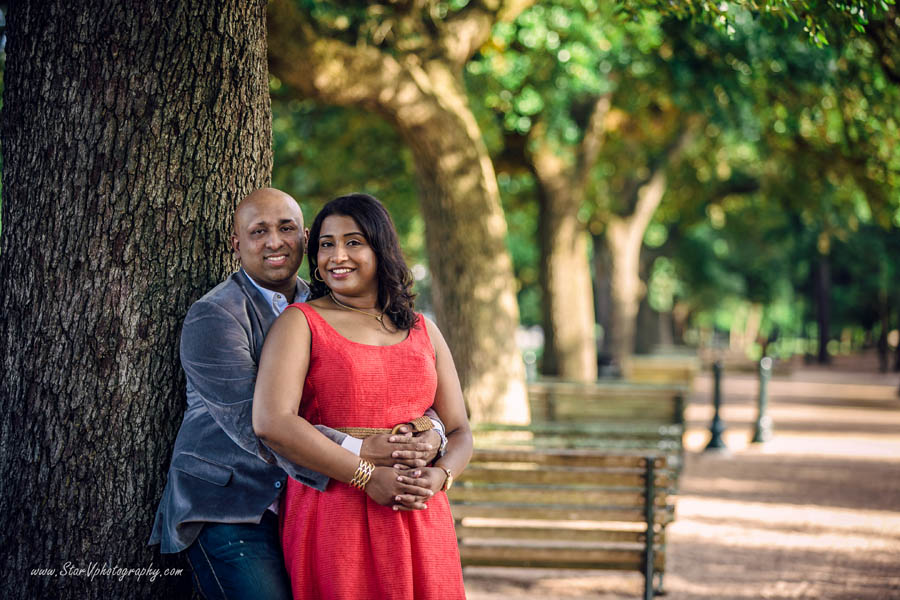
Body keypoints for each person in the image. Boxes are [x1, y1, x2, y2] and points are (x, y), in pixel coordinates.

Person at [149, 188, 446, 600]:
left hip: (303, 503)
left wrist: (431, 430)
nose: (274, 242)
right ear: (236, 244)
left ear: (304, 237)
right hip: (229, 506)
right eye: (258, 232)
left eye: (286, 228)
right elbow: (256, 425)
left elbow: (389, 382)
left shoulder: (327, 303)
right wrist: (362, 451)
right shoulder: (215, 315)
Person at [253, 193, 472, 600]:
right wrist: (365, 476)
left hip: (420, 513)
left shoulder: (424, 329)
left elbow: (459, 429)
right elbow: (272, 422)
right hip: (335, 509)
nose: (338, 255)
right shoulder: (300, 323)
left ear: (381, 248)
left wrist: (441, 476)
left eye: (353, 242)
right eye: (325, 244)